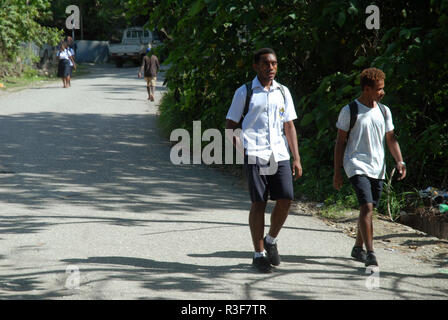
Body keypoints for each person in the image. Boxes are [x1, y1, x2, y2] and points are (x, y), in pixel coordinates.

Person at [225, 48, 302, 273]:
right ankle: (258, 254)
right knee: (259, 203)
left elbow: (289, 125)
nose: (271, 68)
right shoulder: (245, 92)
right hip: (255, 154)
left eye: (274, 64)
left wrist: (296, 158)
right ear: (256, 66)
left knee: (286, 198)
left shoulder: (283, 92)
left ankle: (271, 239)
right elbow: (231, 126)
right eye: (266, 64)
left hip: (279, 154)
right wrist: (244, 152)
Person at [333, 67, 406, 267]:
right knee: (366, 206)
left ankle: (357, 247)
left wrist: (400, 161)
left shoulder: (384, 111)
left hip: (377, 166)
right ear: (367, 89)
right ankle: (370, 252)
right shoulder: (350, 110)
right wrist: (337, 171)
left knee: (369, 208)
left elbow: (391, 139)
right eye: (379, 89)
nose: (383, 92)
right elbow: (340, 142)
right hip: (355, 163)